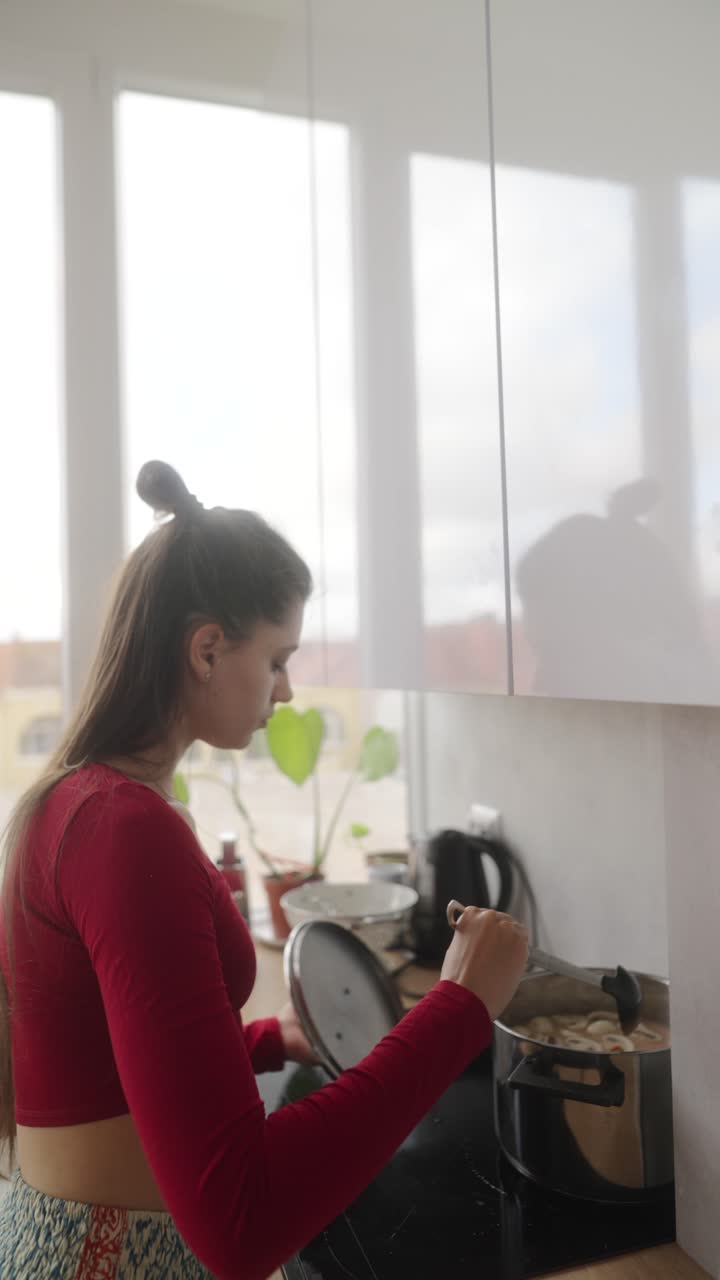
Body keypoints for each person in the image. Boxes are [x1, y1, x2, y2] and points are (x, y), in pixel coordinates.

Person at [0, 460, 529, 1279]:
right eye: (278, 658)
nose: (285, 691)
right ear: (208, 648)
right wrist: (461, 1006)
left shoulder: (82, 803)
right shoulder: (122, 829)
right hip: (115, 1261)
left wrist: (257, 1043)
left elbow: (97, 1051)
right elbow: (240, 1222)